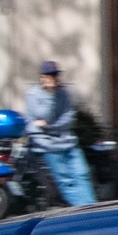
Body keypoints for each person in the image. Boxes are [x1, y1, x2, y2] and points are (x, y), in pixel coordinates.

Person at [28, 61, 96, 207]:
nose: (54, 78)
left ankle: (90, 207)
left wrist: (49, 126)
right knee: (66, 180)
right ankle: (80, 210)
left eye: (55, 75)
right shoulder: (33, 95)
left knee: (82, 174)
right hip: (49, 145)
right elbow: (41, 115)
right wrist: (50, 96)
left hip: (68, 141)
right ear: (42, 77)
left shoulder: (64, 94)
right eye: (50, 75)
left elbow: (69, 119)